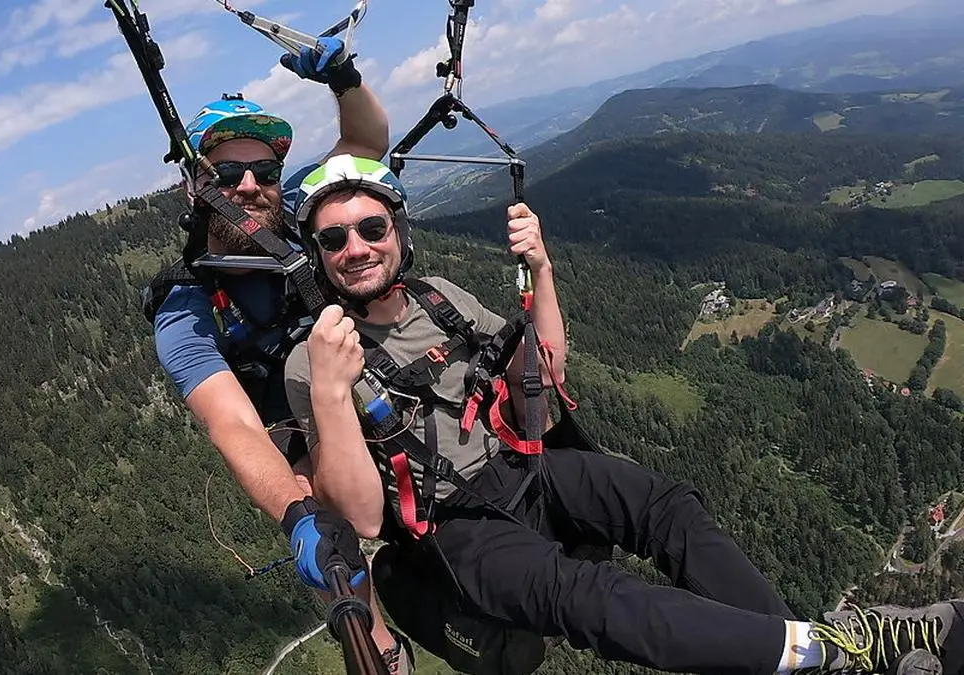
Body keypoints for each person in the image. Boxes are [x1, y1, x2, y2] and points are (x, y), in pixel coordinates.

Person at [281, 153, 964, 675]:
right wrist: (335, 396)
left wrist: (541, 268)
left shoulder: (438, 297)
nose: (355, 248)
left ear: (396, 232)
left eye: (370, 227)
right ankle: (831, 646)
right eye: (334, 239)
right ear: (318, 257)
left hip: (525, 469)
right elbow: (365, 517)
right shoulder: (311, 363)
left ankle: (802, 652)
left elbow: (544, 371)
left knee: (664, 504)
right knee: (589, 595)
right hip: (456, 527)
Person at [150, 42, 411, 672]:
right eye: (226, 173)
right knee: (331, 542)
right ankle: (378, 648)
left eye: (263, 172)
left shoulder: (295, 210)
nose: (248, 186)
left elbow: (366, 140)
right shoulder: (187, 309)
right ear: (195, 185)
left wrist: (343, 77)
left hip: (371, 373)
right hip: (297, 427)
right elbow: (232, 424)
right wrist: (297, 515)